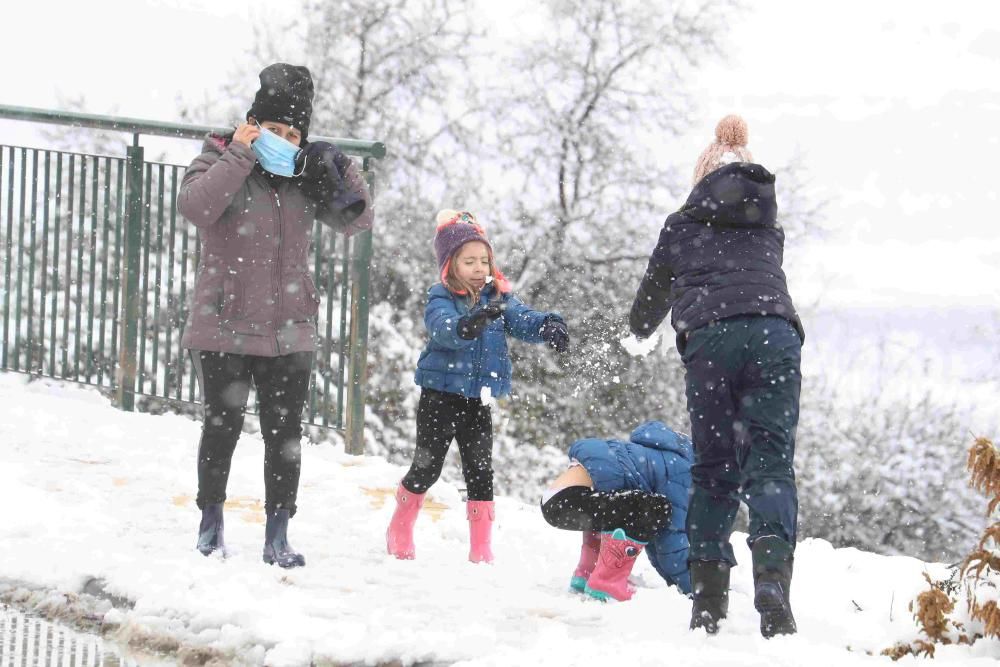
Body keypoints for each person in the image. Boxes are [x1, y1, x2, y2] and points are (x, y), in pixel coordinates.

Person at [177, 63, 373, 568]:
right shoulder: (218, 159)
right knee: (221, 427)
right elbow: (197, 206)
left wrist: (338, 166)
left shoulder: (302, 179)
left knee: (285, 437)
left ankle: (278, 534)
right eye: (274, 130)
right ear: (252, 124)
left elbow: (358, 219)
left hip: (290, 329)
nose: (283, 141)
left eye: (293, 134)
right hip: (224, 323)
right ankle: (210, 522)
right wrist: (241, 152)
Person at [627, 115, 805, 637]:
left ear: (700, 179)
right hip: (776, 336)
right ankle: (773, 588)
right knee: (770, 467)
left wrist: (639, 331)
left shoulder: (681, 226)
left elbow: (647, 307)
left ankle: (708, 602)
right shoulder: (768, 227)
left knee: (713, 469)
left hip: (711, 341)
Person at [385, 209, 570, 564]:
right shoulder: (440, 296)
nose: (479, 268)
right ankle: (401, 524)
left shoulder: (497, 296)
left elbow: (521, 317)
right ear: (450, 265)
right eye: (469, 261)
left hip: (478, 400)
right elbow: (443, 327)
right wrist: (469, 324)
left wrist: (547, 325)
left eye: (484, 260)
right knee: (427, 468)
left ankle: (481, 547)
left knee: (481, 471)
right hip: (440, 395)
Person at [540, 421, 692, 602]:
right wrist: (695, 587)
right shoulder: (683, 473)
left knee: (626, 508)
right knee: (657, 507)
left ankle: (588, 573)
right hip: (568, 499)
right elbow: (669, 542)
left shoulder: (655, 456)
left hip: (555, 499)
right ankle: (607, 583)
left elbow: (651, 532)